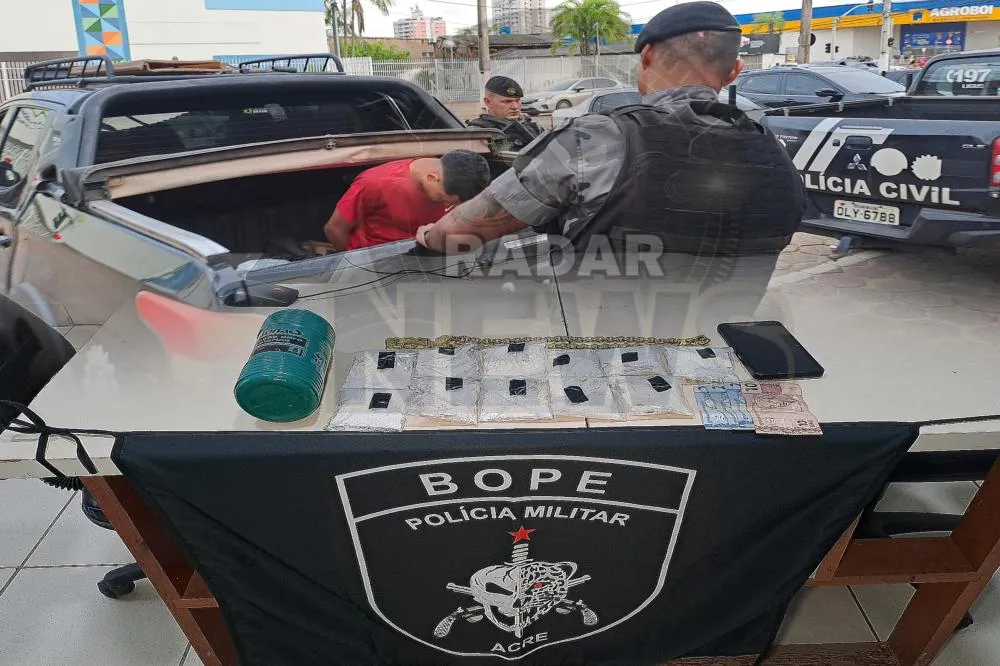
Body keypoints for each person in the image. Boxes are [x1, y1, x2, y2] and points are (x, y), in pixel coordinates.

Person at [415, 1, 805, 328]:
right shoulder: (775, 154)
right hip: (720, 358)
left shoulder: (594, 140)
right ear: (735, 71)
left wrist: (432, 235)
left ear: (646, 56)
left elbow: (461, 231)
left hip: (603, 364)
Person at [323, 150, 490, 252]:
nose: (446, 207)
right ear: (431, 178)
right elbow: (335, 229)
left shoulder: (459, 183)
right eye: (443, 199)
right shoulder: (375, 183)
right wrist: (357, 266)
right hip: (380, 262)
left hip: (430, 256)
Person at [466, 76, 542, 152]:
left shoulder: (530, 124)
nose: (515, 107)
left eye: (517, 101)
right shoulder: (479, 133)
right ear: (488, 102)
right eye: (507, 102)